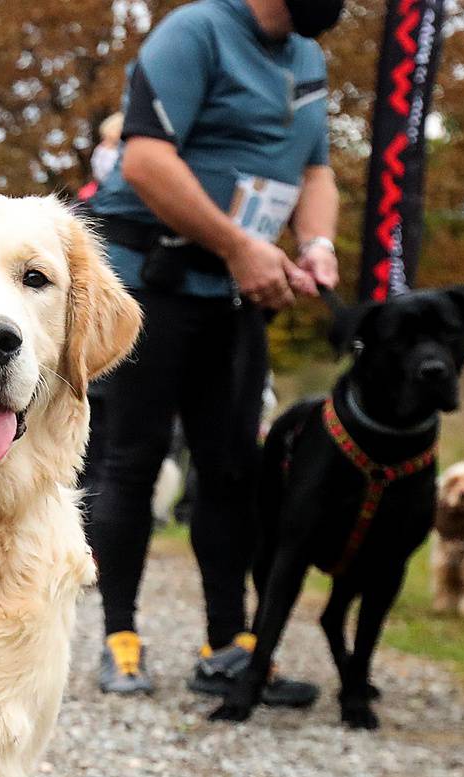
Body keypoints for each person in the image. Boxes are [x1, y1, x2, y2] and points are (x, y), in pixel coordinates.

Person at [83, 0, 343, 700]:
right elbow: (144, 159)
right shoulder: (195, 33)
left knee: (232, 470)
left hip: (234, 292)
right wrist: (239, 245)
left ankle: (228, 645)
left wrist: (314, 243)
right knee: (132, 462)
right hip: (154, 284)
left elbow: (315, 168)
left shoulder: (309, 57)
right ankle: (120, 639)